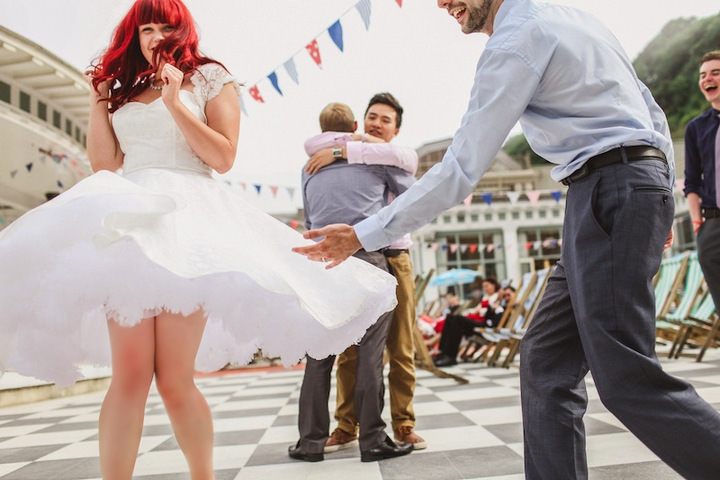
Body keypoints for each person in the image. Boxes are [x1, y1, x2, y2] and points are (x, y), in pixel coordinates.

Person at [293, 0, 720, 478]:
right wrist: (656, 185)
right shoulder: (572, 18)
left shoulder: (514, 41)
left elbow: (460, 169)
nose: (441, 3)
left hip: (608, 191)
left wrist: (364, 233)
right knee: (544, 362)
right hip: (613, 190)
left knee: (625, 378)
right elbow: (650, 110)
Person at [0, 0, 399, 478]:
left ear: (182, 30)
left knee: (173, 379)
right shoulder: (124, 85)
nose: (154, 37)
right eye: (145, 28)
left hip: (189, 223)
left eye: (164, 27)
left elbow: (223, 156)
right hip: (128, 222)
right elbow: (106, 165)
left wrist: (173, 101)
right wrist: (98, 99)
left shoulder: (210, 77)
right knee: (127, 376)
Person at [289, 99, 415, 463]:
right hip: (367, 259)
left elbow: (312, 216)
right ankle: (373, 439)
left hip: (323, 262)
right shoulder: (376, 159)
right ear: (356, 126)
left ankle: (310, 443)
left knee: (319, 355)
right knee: (370, 355)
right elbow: (414, 196)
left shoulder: (308, 167)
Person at [684, 50, 720, 315]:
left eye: (715, 73)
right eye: (703, 75)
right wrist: (698, 224)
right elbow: (692, 181)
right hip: (712, 225)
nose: (707, 78)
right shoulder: (695, 128)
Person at [434, 276, 502, 366]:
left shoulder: (497, 297)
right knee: (450, 318)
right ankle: (443, 352)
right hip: (479, 321)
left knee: (457, 319)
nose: (485, 289)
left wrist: (490, 307)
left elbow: (493, 313)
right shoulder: (487, 297)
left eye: (487, 286)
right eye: (484, 287)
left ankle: (450, 356)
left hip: (486, 325)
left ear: (494, 285)